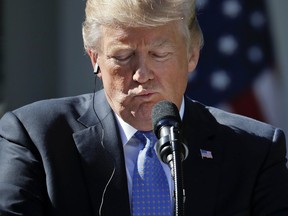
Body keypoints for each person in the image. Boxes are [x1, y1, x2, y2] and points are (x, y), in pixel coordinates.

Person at [0, 0, 288, 215]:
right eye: (123, 56)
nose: (142, 74)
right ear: (94, 59)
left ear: (192, 55)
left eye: (159, 54)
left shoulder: (256, 151)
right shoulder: (34, 138)